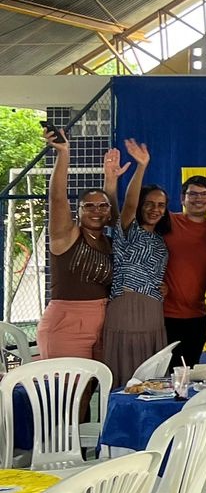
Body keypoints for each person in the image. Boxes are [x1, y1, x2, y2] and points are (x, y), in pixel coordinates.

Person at [35, 126, 113, 360]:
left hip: (103, 324)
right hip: (66, 324)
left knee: (89, 389)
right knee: (67, 393)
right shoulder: (66, 236)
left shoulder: (109, 243)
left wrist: (111, 179)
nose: (96, 211)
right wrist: (63, 154)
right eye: (88, 206)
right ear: (78, 211)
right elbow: (57, 197)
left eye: (102, 206)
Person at [98, 140, 170, 384]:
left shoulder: (161, 240)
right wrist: (142, 166)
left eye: (161, 205)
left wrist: (164, 287)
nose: (154, 209)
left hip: (153, 310)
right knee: (126, 371)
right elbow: (128, 204)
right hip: (125, 306)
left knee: (151, 374)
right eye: (149, 203)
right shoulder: (129, 229)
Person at [161, 172, 206, 364]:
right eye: (193, 194)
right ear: (182, 199)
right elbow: (128, 217)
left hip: (198, 318)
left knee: (190, 376)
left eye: (204, 194)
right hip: (163, 316)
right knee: (161, 380)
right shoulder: (166, 221)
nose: (198, 199)